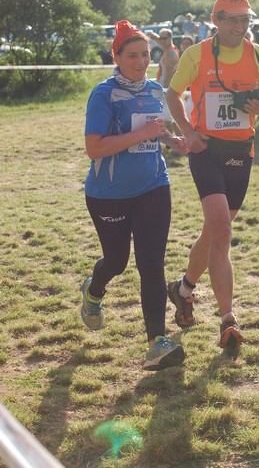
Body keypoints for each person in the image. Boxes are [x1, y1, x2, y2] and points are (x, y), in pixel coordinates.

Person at [165, 0, 259, 349]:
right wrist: (188, 133)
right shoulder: (196, 54)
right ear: (216, 20)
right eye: (231, 20)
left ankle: (183, 290)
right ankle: (228, 319)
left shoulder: (257, 53)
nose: (238, 27)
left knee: (213, 232)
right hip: (206, 150)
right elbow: (172, 94)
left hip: (242, 150)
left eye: (244, 20)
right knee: (222, 229)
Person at [81, 20, 187, 371]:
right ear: (117, 56)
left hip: (154, 186)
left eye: (145, 54)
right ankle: (94, 291)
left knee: (152, 264)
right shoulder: (103, 94)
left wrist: (174, 141)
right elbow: (94, 148)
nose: (141, 61)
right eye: (133, 55)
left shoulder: (156, 89)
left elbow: (159, 129)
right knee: (116, 261)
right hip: (109, 194)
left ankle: (156, 341)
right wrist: (141, 133)